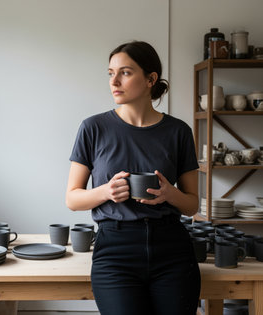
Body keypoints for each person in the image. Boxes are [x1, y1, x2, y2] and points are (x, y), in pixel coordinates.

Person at [66, 41, 201, 315]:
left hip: (172, 251)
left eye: (125, 72)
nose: (114, 81)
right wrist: (106, 192)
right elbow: (72, 198)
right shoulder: (93, 128)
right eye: (110, 73)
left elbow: (191, 205)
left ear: (151, 79)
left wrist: (169, 195)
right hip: (115, 253)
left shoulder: (179, 132)